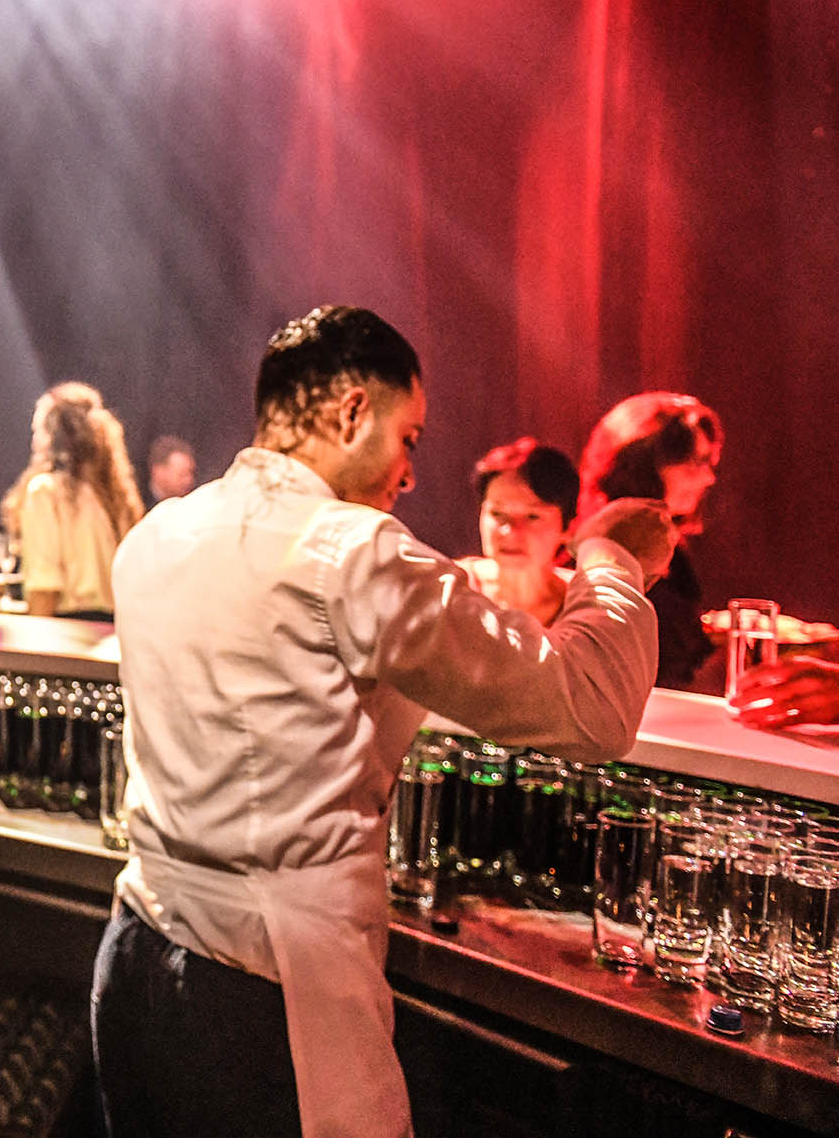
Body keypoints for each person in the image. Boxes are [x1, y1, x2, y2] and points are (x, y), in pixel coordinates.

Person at [94, 305, 672, 1138]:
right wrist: (612, 558)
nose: (407, 476)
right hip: (260, 998)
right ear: (351, 411)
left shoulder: (157, 533)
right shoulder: (352, 550)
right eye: (408, 439)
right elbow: (590, 706)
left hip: (134, 957)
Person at [579, 392, 724, 688]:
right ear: (643, 468)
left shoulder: (671, 551)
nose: (709, 478)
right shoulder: (600, 557)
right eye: (694, 463)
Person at [4, 383, 143, 620]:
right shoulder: (112, 498)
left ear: (51, 436)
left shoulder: (45, 492)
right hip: (113, 629)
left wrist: (34, 638)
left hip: (68, 629)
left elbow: (45, 588)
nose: (34, 440)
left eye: (37, 430)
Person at [456, 437, 578, 625]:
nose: (509, 531)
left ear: (568, 527)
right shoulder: (450, 589)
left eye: (532, 516)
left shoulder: (586, 604)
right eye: (497, 513)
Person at [145, 434, 197, 502]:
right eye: (182, 475)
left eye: (191, 473)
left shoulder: (194, 500)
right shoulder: (138, 502)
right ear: (158, 472)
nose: (189, 480)